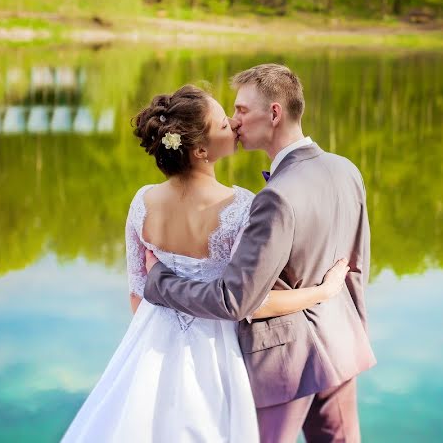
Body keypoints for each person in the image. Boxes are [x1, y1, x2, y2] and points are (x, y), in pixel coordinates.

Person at [61, 85, 350, 442]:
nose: (233, 122)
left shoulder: (142, 202)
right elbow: (252, 304)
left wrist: (154, 346)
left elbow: (137, 295)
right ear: (200, 150)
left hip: (149, 343)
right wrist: (323, 291)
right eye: (223, 124)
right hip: (217, 352)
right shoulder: (240, 207)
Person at [144, 64, 376, 443]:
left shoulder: (275, 197)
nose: (234, 122)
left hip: (283, 365)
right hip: (342, 347)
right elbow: (357, 268)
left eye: (240, 110)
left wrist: (161, 281)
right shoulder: (346, 169)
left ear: (273, 114)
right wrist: (354, 332)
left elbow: (234, 298)